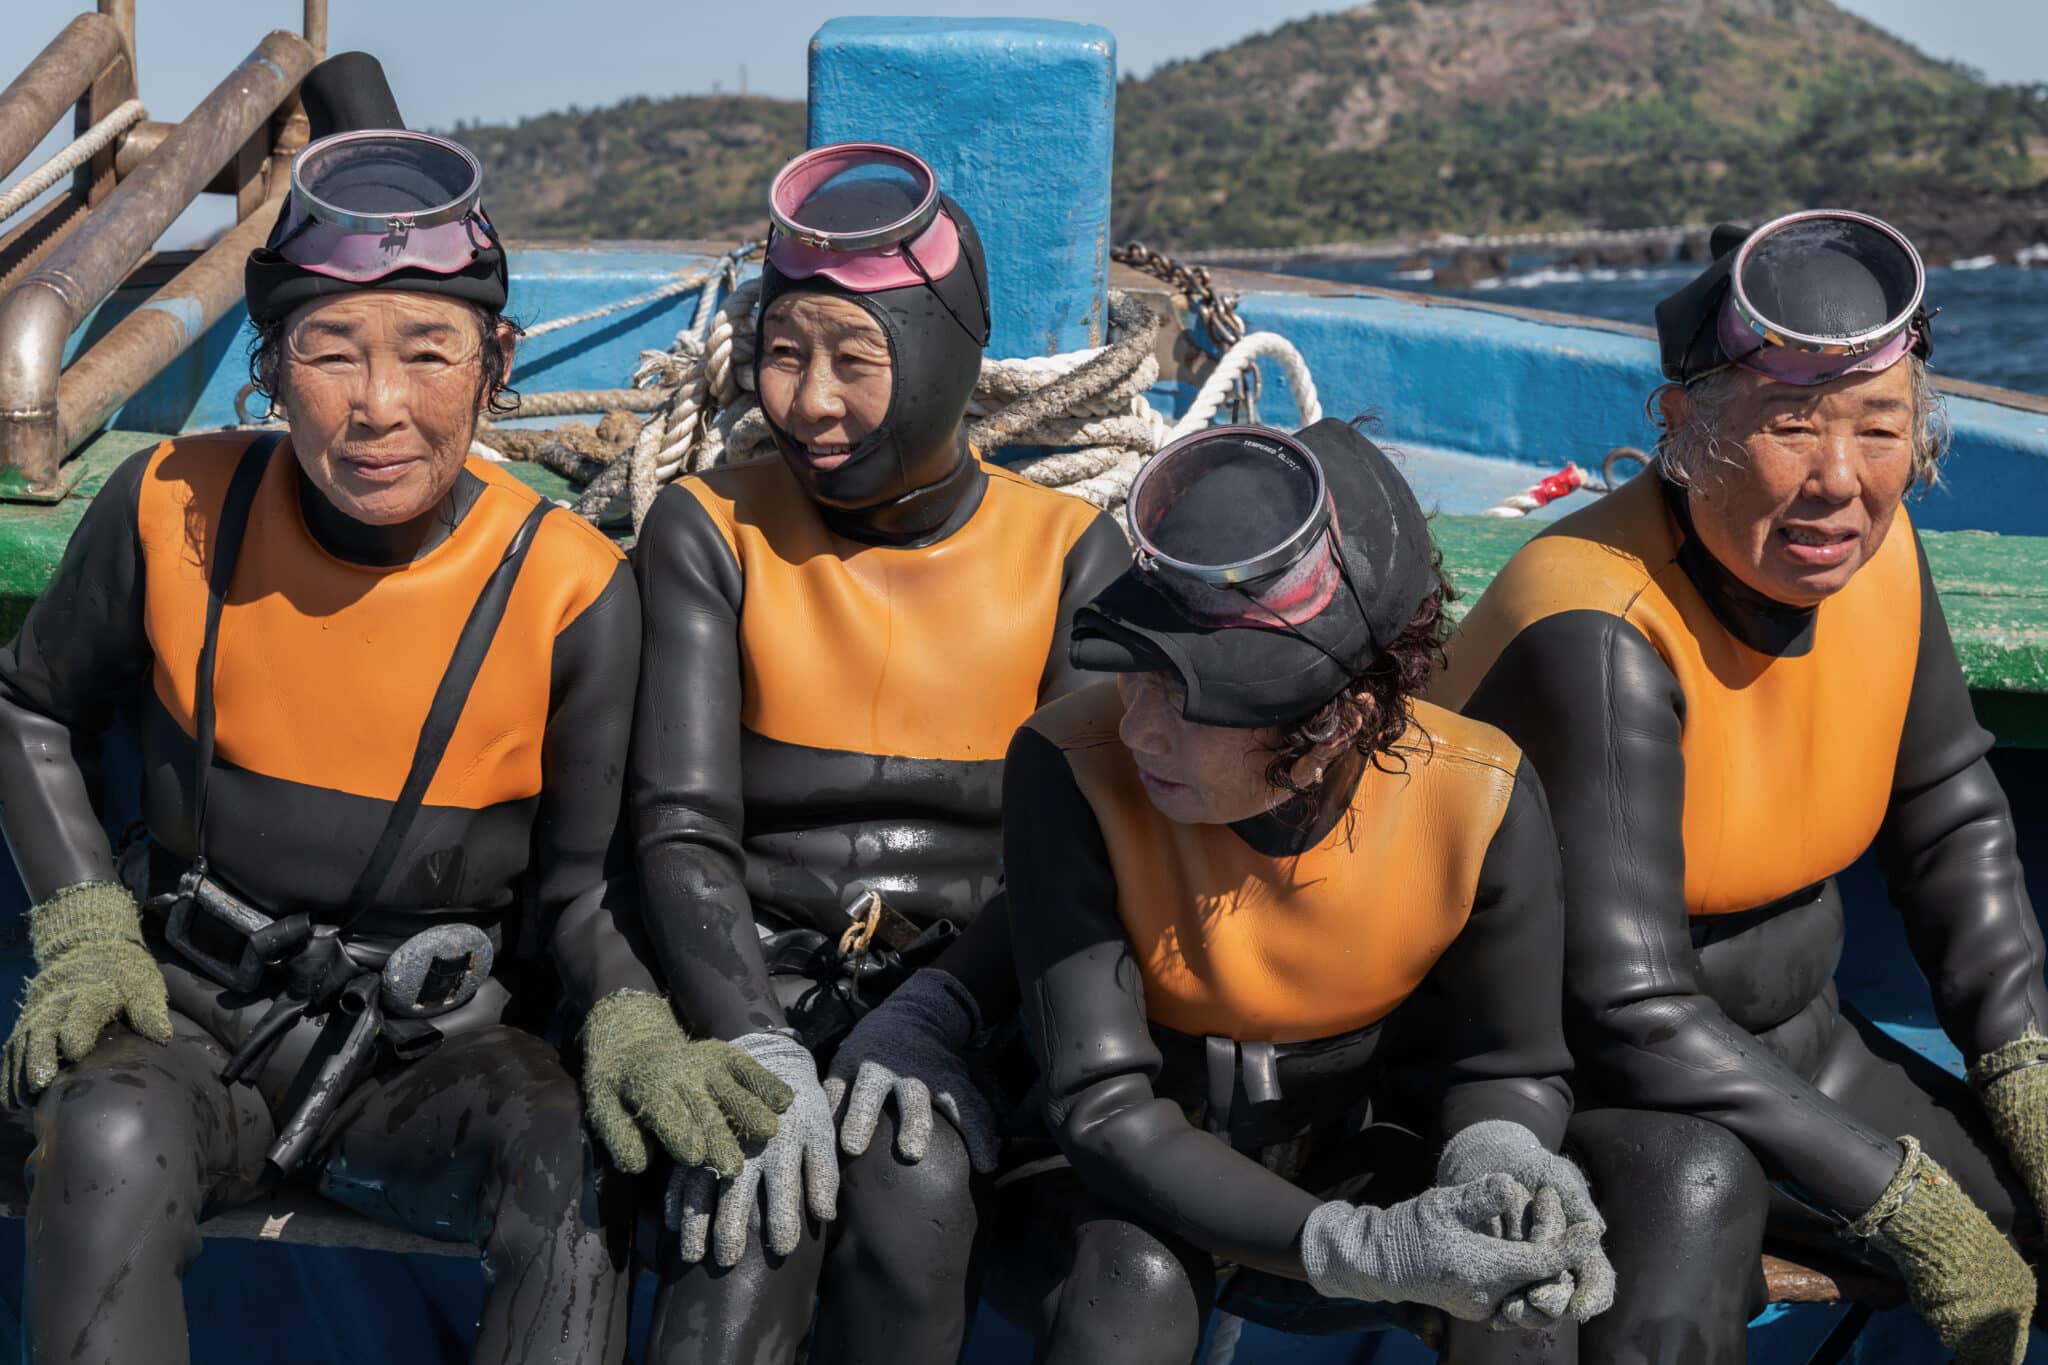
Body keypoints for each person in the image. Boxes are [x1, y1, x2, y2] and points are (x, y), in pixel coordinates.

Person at [0, 54, 782, 1365]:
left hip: (434, 1057)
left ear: (494, 365)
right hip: (184, 1022)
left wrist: (636, 1018)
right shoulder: (172, 509)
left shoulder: (573, 590)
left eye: (429, 351)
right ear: (270, 365)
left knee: (578, 1166)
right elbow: (27, 706)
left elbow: (581, 893)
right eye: (329, 351)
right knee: (101, 1138)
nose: (379, 406)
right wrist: (82, 923)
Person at [1433, 209, 2048, 1365]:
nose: (1837, 482)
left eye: (1879, 429)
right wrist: (1897, 1203)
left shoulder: (1879, 551)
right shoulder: (1598, 625)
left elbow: (1948, 820)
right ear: (1684, 427)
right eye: (1785, 425)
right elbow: (1625, 1007)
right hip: (1579, 1083)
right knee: (1694, 1200)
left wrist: (2024, 1069)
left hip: (1806, 1052)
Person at [629, 142, 1130, 1363]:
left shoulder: (1071, 558)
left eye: (854, 360)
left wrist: (934, 1016)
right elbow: (678, 829)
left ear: (947, 353)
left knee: (913, 1185)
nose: (810, 402)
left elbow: (1068, 859)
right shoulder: (711, 530)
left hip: (975, 1002)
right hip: (758, 982)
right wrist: (752, 1041)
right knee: (738, 1227)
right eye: (784, 355)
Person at [994, 419, 1614, 1363]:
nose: (1140, 730)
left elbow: (1506, 1066)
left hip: (1340, 1143)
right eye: (1135, 671)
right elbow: (1104, 1107)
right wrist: (1356, 1248)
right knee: (1132, 1284)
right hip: (1107, 1183)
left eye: (1191, 699)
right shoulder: (1065, 767)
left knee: (1519, 1279)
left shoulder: (1478, 794)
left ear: (1340, 721)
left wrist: (1503, 1156)